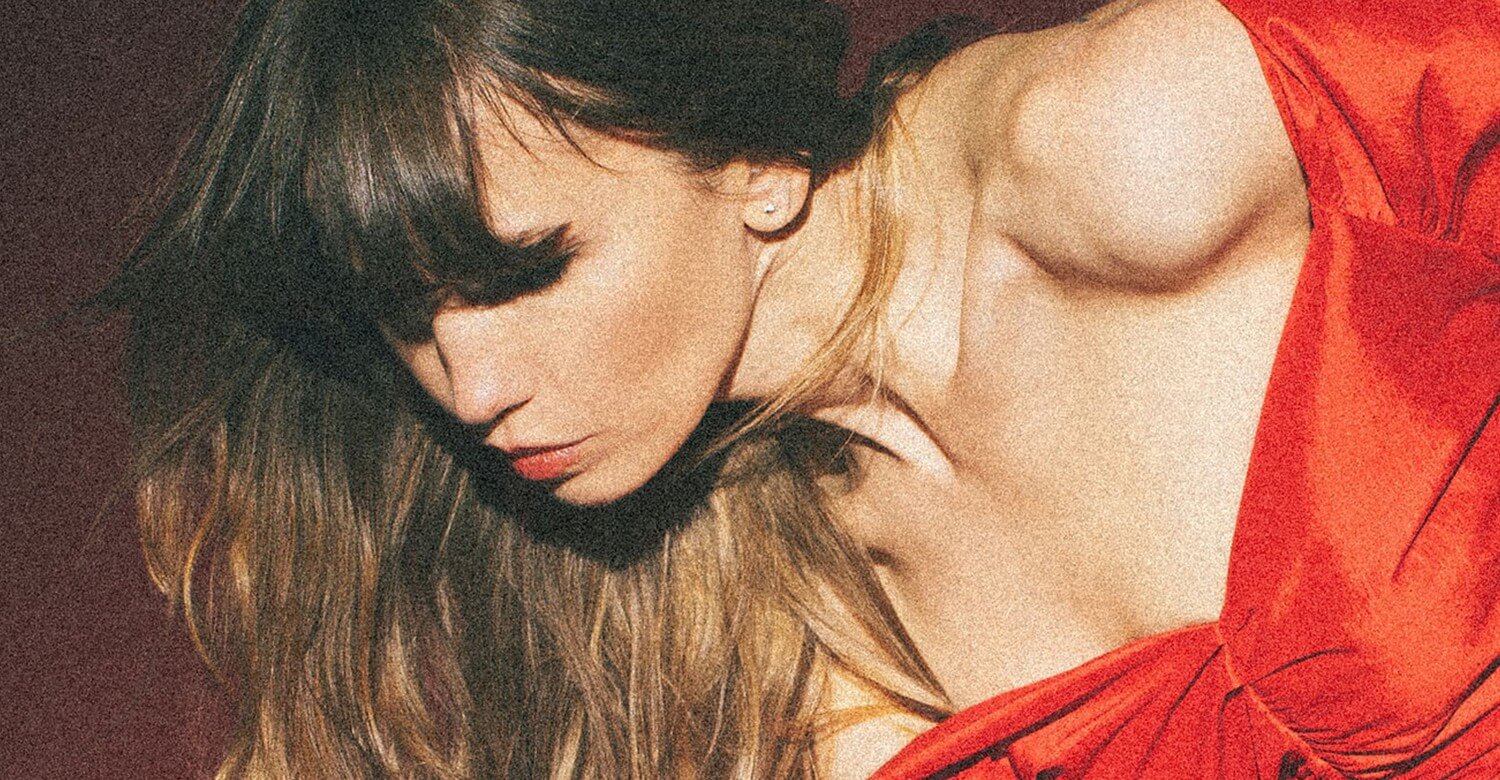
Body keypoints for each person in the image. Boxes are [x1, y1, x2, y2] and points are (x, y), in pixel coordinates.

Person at [102, 0, 1499, 776]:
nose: (468, 389)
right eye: (407, 319)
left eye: (525, 271)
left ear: (760, 161)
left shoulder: (1130, 152)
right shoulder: (775, 602)